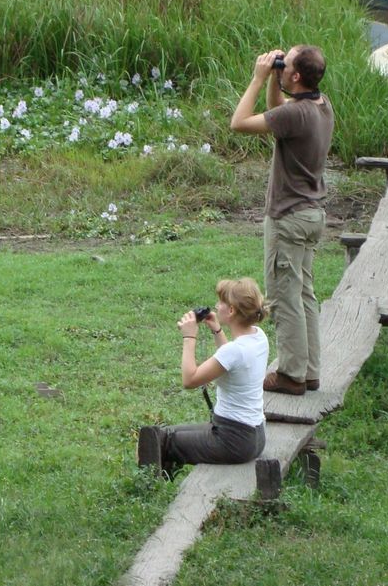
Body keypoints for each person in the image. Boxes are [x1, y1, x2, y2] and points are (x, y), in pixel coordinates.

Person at [230, 46, 334, 396]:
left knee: (283, 298)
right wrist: (277, 78)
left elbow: (239, 122)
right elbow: (278, 112)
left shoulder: (297, 114)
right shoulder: (320, 106)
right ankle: (310, 371)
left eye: (285, 64)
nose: (279, 64)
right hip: (311, 215)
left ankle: (291, 374)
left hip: (288, 218)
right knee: (304, 295)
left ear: (296, 77)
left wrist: (258, 79)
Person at [137, 278, 269, 476]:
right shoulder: (259, 337)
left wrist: (189, 337)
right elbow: (233, 362)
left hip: (232, 440)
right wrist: (217, 330)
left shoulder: (235, 351)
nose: (217, 305)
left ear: (231, 311)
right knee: (165, 433)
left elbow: (189, 380)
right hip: (254, 435)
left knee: (157, 440)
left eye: (221, 302)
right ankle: (165, 477)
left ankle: (148, 487)